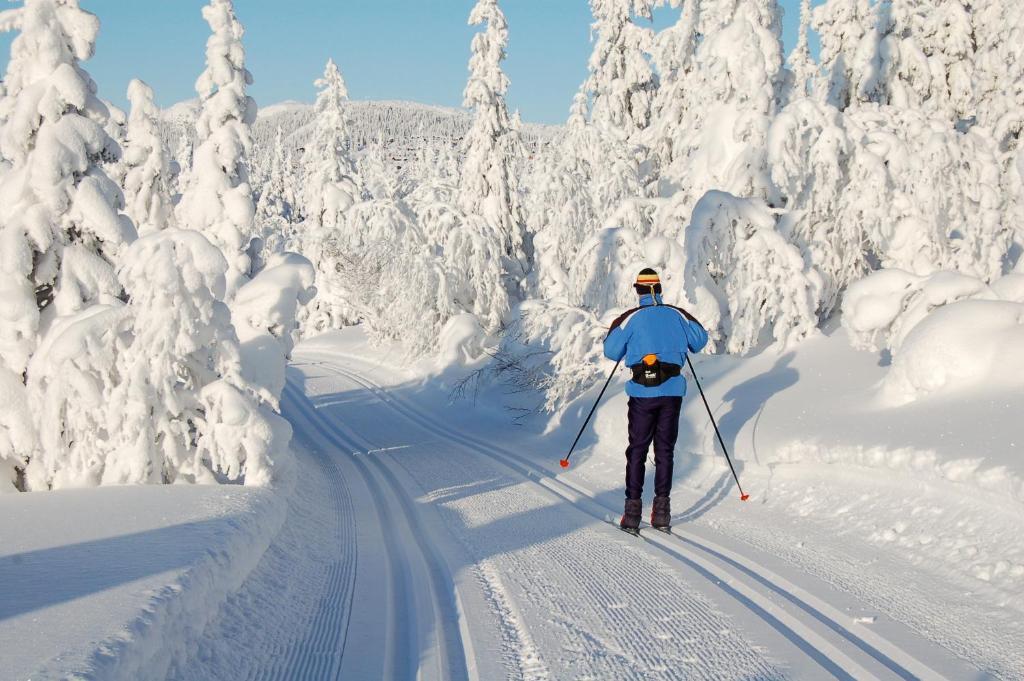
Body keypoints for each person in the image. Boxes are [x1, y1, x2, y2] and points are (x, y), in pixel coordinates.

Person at [603, 268, 709, 533]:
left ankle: (632, 515)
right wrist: (686, 315)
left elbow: (611, 350)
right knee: (665, 452)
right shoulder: (675, 316)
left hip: (642, 395)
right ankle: (662, 514)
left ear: (638, 290)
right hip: (672, 394)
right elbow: (700, 340)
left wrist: (619, 324)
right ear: (659, 290)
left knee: (637, 450)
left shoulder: (633, 319)